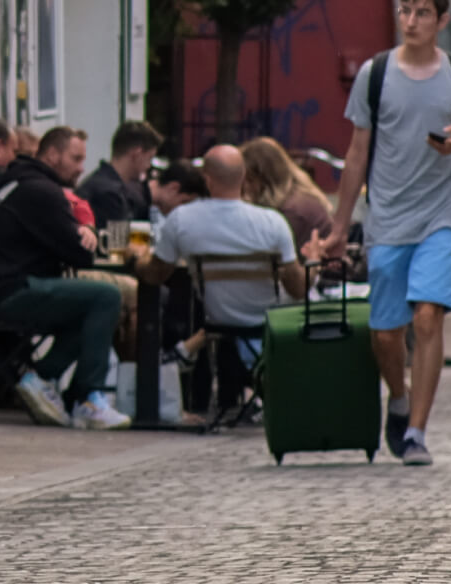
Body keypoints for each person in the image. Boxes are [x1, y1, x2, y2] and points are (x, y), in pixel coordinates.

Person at [312, 0, 451, 467]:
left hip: (442, 214)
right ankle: (397, 394)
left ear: (441, 21)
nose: (411, 21)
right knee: (386, 333)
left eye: (422, 14)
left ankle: (415, 430)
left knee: (428, 315)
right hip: (388, 217)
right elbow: (356, 156)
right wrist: (336, 228)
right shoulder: (375, 74)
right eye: (405, 11)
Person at [0, 126, 130, 430]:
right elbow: (80, 255)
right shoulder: (42, 192)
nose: (82, 167)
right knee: (106, 296)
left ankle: (39, 378)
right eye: (76, 158)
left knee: (90, 309)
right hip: (9, 292)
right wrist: (86, 233)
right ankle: (86, 398)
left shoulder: (19, 182)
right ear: (52, 154)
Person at [130, 146, 306, 421]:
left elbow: (155, 275)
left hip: (219, 318)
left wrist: (138, 258)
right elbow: (299, 289)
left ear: (207, 179)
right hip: (271, 319)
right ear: (244, 177)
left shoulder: (181, 220)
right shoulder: (273, 223)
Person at [240, 136, 333, 251]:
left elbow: (280, 259)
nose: (245, 186)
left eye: (250, 180)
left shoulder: (291, 212)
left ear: (265, 179)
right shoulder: (294, 195)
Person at [77, 121, 163, 227]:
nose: (148, 166)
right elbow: (118, 242)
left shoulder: (100, 182)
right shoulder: (110, 194)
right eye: (149, 158)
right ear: (137, 154)